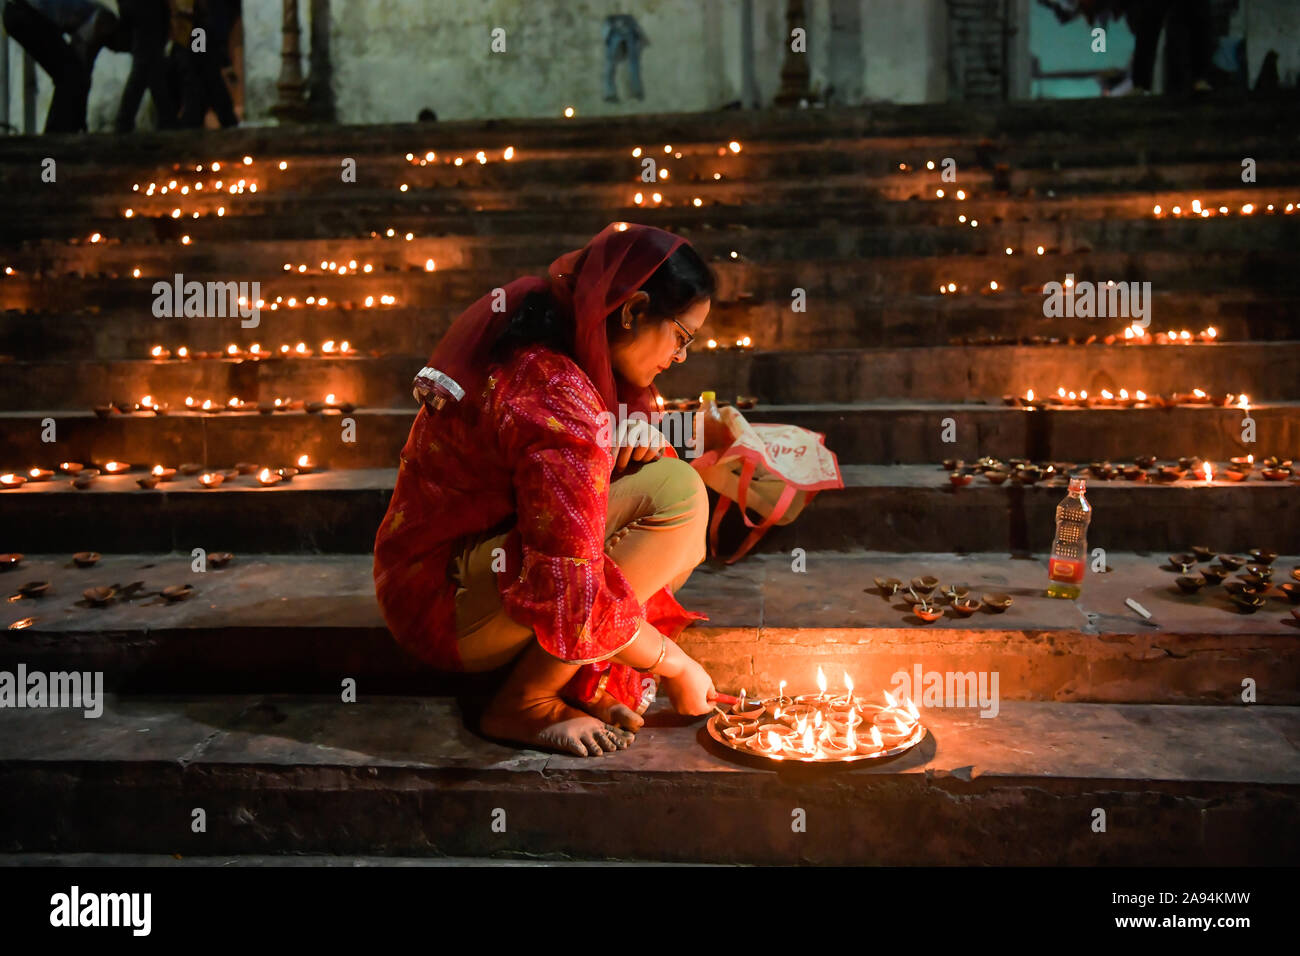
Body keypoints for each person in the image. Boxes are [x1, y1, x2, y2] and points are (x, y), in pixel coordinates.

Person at [374, 223, 721, 758]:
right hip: (442, 606)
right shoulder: (555, 391)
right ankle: (525, 703)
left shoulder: (556, 351)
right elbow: (569, 591)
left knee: (660, 480)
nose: (679, 359)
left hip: (458, 572)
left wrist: (621, 444)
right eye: (681, 336)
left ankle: (562, 679)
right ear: (632, 311)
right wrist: (674, 663)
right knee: (677, 498)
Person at [2, 0, 125, 133]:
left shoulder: (100, 22)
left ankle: (61, 129)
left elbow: (83, 68)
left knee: (70, 74)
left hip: (20, 13)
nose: (114, 51)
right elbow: (82, 63)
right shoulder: (103, 21)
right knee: (70, 74)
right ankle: (58, 131)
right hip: (26, 14)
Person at [114, 0, 175, 132]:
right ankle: (167, 120)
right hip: (148, 24)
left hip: (150, 25)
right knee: (146, 77)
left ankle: (124, 122)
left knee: (151, 77)